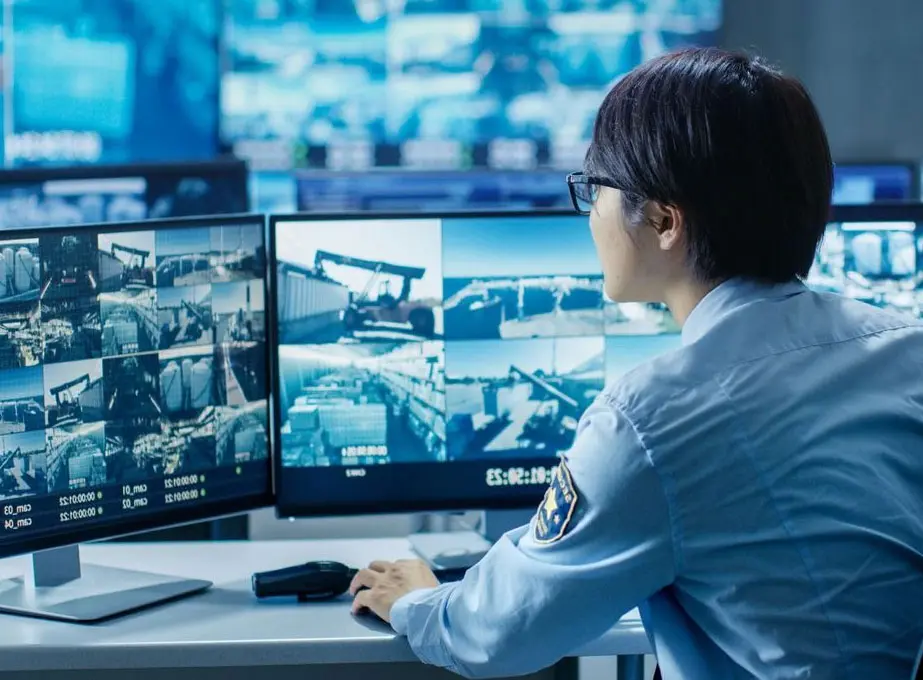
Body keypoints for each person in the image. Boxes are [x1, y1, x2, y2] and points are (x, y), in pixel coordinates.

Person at [348, 47, 923, 679]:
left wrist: (417, 600)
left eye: (595, 190)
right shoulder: (907, 350)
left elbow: (498, 632)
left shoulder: (653, 419)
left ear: (664, 219)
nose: (591, 214)